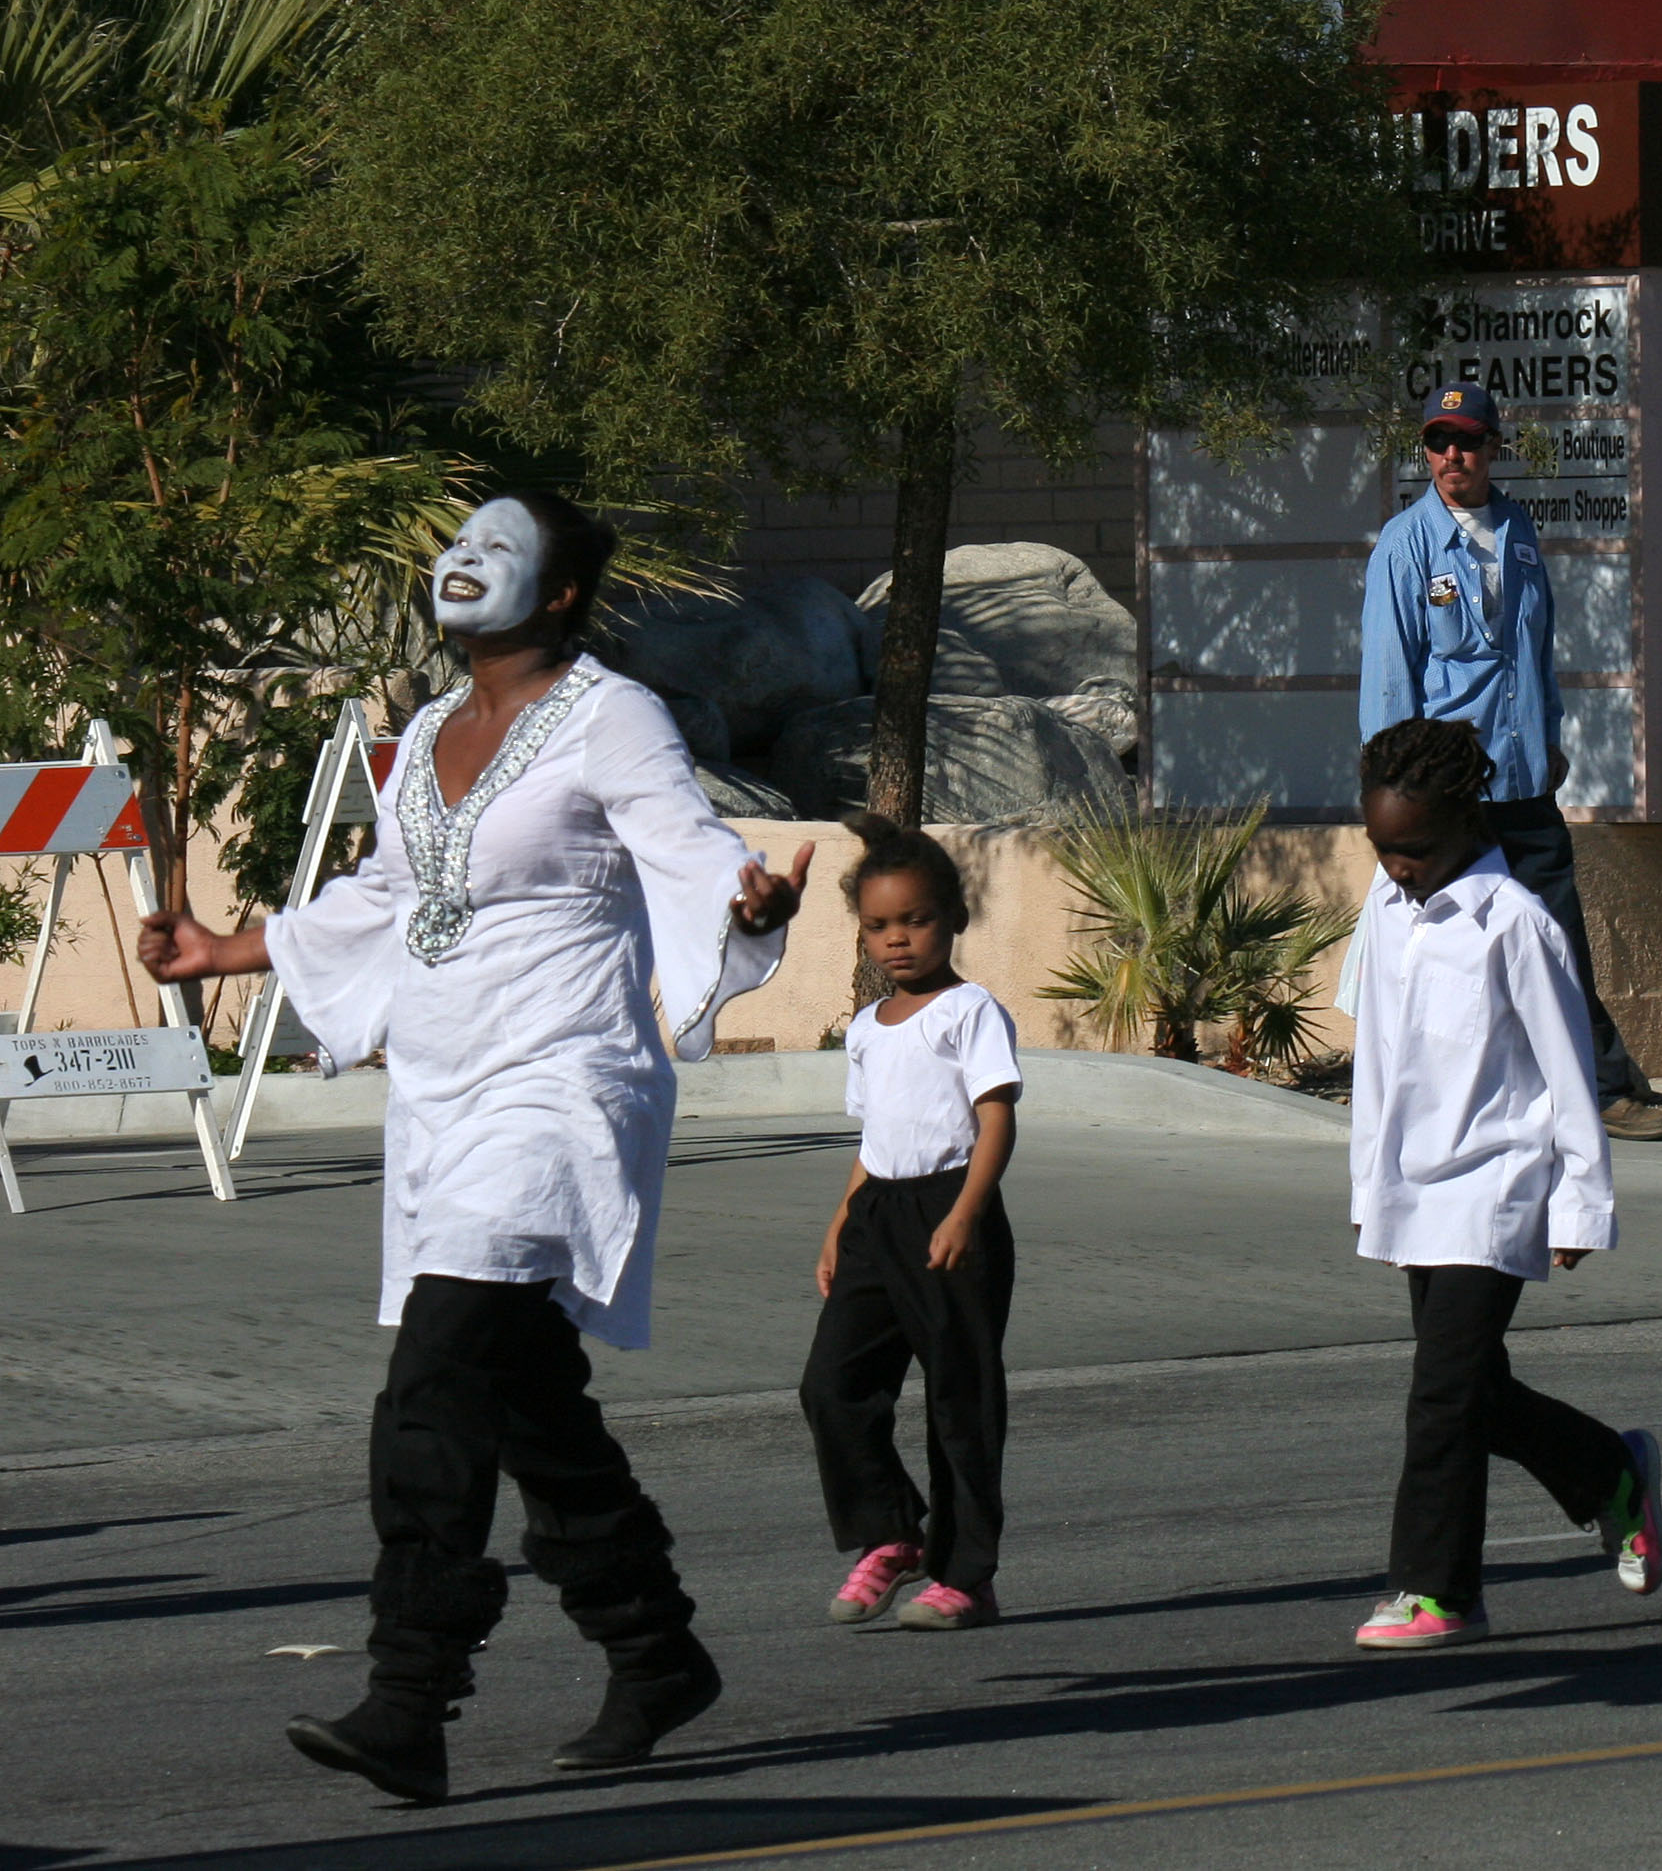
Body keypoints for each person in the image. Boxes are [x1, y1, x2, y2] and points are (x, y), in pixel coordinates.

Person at [137, 493, 808, 1801]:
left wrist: (746, 898)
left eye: (498, 551)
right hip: (440, 1095)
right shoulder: (436, 727)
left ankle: (410, 1693)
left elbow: (688, 849)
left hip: (560, 1087)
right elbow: (392, 895)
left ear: (559, 597)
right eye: (457, 543)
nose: (462, 561)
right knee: (517, 1392)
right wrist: (236, 948)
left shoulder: (612, 715)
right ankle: (653, 1646)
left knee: (435, 1379)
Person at [1340, 716, 1662, 1648]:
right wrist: (1371, 1185)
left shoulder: (1513, 923)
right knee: (1473, 1390)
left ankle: (1434, 1589)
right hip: (1416, 1187)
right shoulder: (1388, 909)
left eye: (1413, 848)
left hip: (1497, 1187)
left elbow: (1569, 1073)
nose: (1397, 865)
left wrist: (1579, 1200)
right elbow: (1378, 1065)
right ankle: (1609, 1472)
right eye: (1382, 849)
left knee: (1439, 1397)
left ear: (1465, 823)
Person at [1361, 379, 1662, 1141]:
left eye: (1465, 441)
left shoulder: (1518, 532)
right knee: (1440, 948)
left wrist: (1552, 735)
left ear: (1493, 448)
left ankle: (1599, 1088)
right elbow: (1389, 679)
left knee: (1554, 935)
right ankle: (1431, 1096)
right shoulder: (1404, 545)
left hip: (1523, 775)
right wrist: (1391, 789)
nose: (1451, 456)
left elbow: (1537, 650)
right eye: (1437, 442)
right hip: (1446, 792)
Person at [802, 813, 1024, 1631]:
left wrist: (967, 1209)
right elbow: (873, 1137)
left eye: (916, 919)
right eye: (879, 925)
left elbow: (995, 1117)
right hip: (878, 1215)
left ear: (954, 917)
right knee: (832, 1384)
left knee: (959, 1400)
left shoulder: (970, 1011)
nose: (898, 939)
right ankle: (890, 1532)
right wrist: (840, 1222)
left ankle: (965, 1574)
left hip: (949, 1211)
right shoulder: (865, 1028)